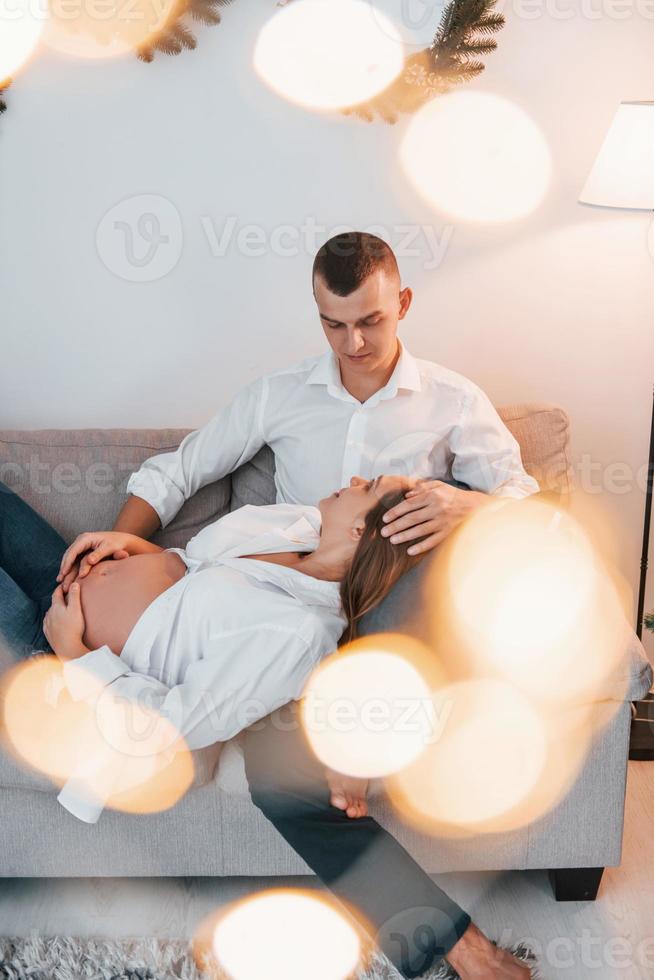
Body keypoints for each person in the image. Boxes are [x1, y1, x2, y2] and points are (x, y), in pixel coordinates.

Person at [48, 232, 537, 977]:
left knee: (310, 769)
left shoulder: (452, 402)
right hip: (280, 615)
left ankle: (459, 945)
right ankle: (458, 945)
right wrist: (116, 549)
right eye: (334, 324)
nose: (355, 341)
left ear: (402, 304)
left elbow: (528, 508)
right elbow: (179, 473)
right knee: (289, 786)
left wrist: (468, 508)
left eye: (371, 320)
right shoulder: (280, 395)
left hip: (378, 625)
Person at [0, 473, 422, 821]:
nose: (353, 478)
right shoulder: (295, 530)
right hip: (63, 576)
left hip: (49, 651)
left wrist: (72, 650)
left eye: (368, 487)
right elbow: (195, 566)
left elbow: (171, 725)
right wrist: (129, 546)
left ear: (359, 530)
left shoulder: (300, 634)